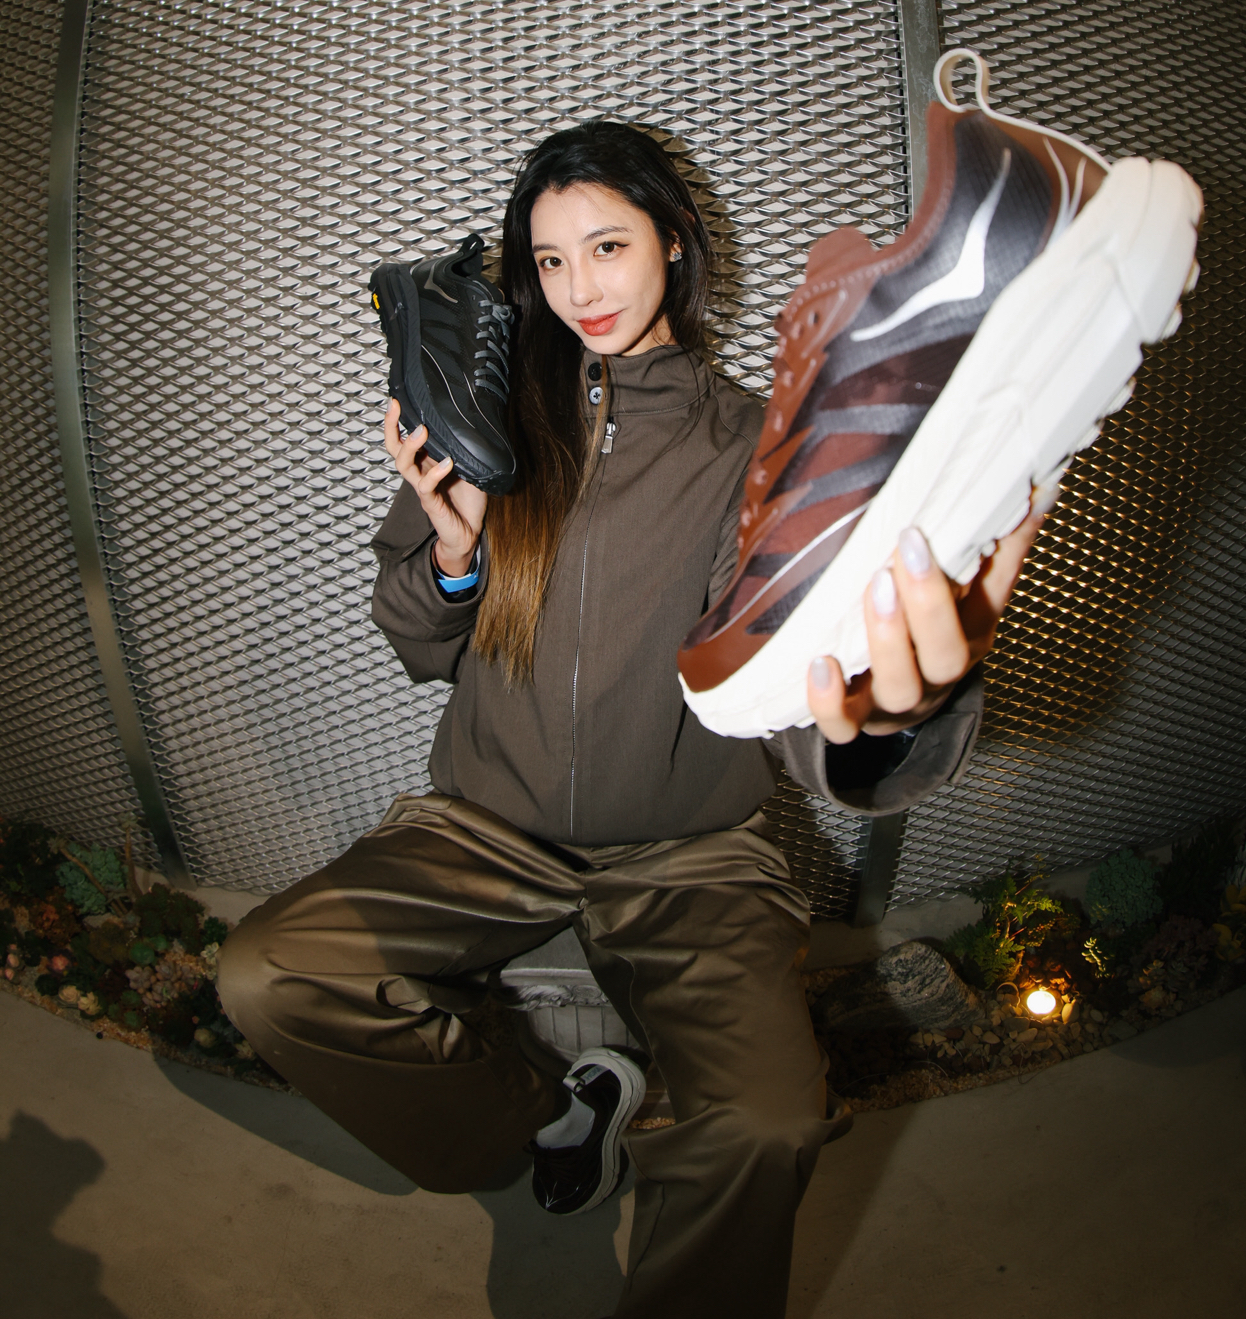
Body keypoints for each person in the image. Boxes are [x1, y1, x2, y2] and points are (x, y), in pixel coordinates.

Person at [218, 120, 1040, 1319]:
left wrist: (884, 716)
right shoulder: (490, 417)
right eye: (549, 261)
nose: (578, 289)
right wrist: (451, 558)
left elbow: (786, 690)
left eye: (605, 246)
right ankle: (550, 1118)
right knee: (268, 975)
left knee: (765, 1122)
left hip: (688, 850)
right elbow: (416, 645)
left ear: (674, 241)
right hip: (485, 827)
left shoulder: (757, 446)